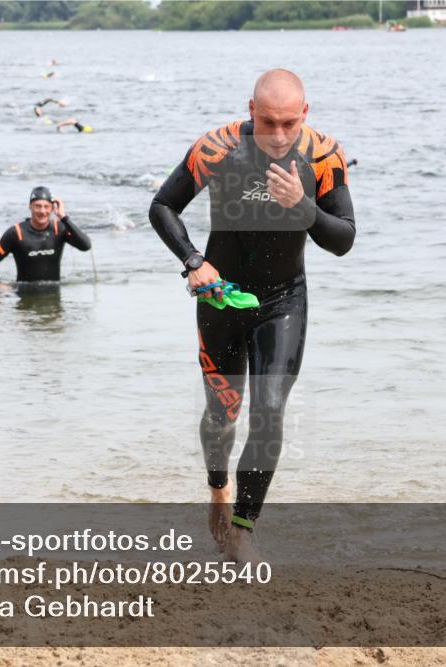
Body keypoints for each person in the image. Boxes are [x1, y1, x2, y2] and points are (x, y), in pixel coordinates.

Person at [148, 69, 355, 563]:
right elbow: (163, 207)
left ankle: (242, 530)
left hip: (283, 301)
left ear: (304, 114)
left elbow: (343, 239)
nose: (279, 135)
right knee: (223, 415)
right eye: (268, 122)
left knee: (269, 410)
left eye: (289, 123)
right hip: (220, 298)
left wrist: (303, 206)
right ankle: (218, 487)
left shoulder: (323, 155)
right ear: (251, 110)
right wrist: (194, 262)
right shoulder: (218, 149)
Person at [0, 186, 92, 287]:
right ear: (30, 207)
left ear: (52, 208)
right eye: (37, 206)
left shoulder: (59, 229)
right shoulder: (16, 232)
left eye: (46, 206)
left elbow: (86, 246)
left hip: (53, 295)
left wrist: (64, 218)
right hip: (25, 294)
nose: (42, 211)